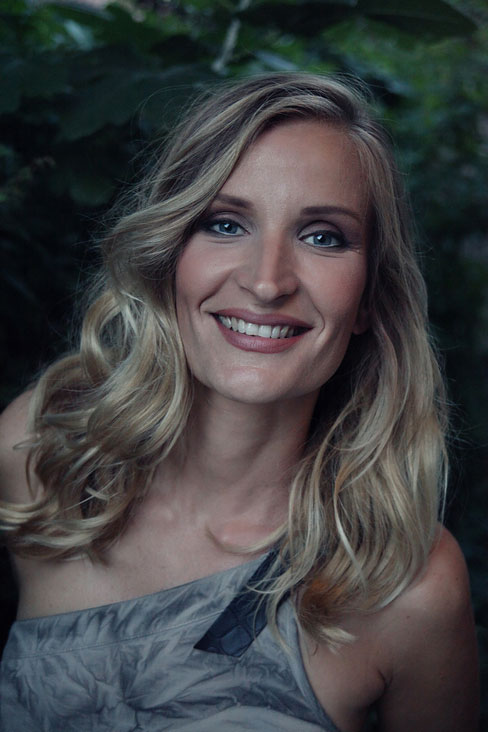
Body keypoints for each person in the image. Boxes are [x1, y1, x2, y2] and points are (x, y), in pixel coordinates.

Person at [0, 73, 479, 731]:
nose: (266, 282)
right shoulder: (42, 454)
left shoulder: (411, 585)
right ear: (170, 255)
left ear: (370, 296)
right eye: (225, 224)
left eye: (322, 236)